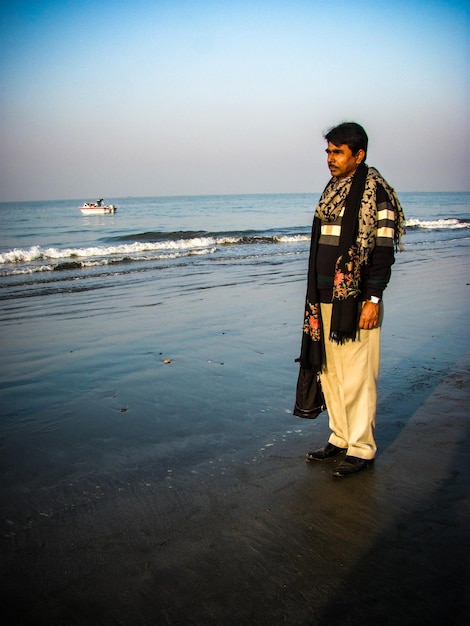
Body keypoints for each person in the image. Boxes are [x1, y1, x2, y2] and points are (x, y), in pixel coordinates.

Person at [301, 122, 405, 477]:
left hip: (358, 300)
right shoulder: (332, 190)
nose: (330, 159)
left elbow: (382, 250)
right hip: (324, 297)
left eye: (337, 152)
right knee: (330, 372)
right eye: (328, 152)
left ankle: (361, 447)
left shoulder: (377, 193)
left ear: (358, 155)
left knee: (358, 375)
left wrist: (373, 298)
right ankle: (340, 437)